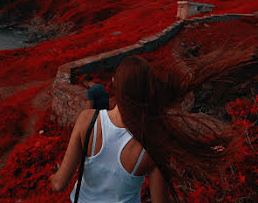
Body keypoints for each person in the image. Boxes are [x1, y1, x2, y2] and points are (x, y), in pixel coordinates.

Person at [50, 55, 242, 202]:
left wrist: (52, 176)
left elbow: (59, 184)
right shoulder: (153, 144)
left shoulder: (87, 120)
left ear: (115, 83)